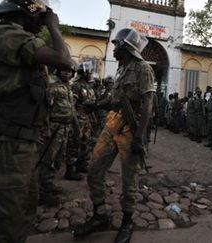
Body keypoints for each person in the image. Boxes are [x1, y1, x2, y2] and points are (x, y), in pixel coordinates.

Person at [0, 1, 72, 242]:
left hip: (21, 141)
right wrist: (54, 27)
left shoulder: (13, 37)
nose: (44, 23)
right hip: (7, 141)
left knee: (21, 212)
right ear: (31, 12)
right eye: (42, 17)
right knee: (0, 223)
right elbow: (64, 59)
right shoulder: (6, 34)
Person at [72, 28, 155, 243]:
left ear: (125, 47)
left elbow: (148, 104)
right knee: (94, 170)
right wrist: (95, 105)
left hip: (130, 128)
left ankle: (127, 222)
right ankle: (100, 215)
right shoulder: (121, 69)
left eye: (117, 44)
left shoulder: (143, 69)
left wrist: (139, 136)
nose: (114, 48)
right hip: (112, 123)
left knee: (129, 179)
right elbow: (114, 100)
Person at [39, 66, 82, 206]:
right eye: (63, 70)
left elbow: (72, 110)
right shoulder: (54, 87)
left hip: (65, 128)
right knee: (48, 159)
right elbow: (45, 108)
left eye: (69, 71)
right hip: (54, 128)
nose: (66, 72)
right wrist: (45, 128)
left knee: (58, 159)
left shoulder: (68, 88)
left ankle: (49, 184)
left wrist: (76, 128)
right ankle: (42, 192)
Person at [69, 62, 97, 173]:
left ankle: (82, 165)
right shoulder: (76, 85)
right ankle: (70, 169)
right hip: (78, 118)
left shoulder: (88, 86)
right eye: (89, 72)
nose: (91, 74)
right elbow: (72, 104)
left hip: (87, 118)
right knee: (74, 143)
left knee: (86, 143)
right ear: (84, 73)